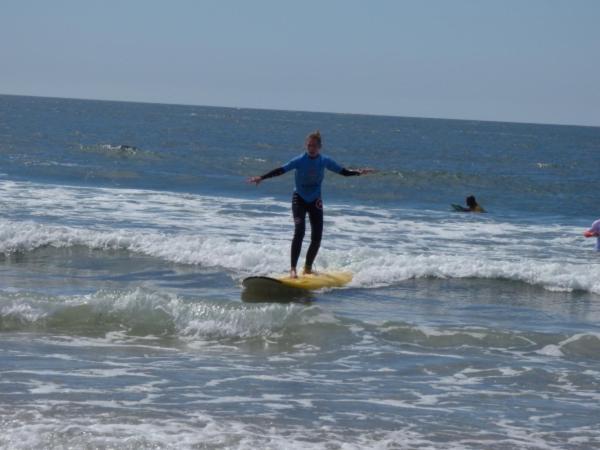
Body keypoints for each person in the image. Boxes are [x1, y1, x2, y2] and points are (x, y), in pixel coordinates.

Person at [248, 130, 375, 278]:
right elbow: (281, 170)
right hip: (299, 199)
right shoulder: (299, 160)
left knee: (317, 237)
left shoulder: (325, 161)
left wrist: (359, 172)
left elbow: (344, 172)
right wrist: (261, 177)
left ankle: (307, 268)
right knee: (299, 231)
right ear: (306, 146)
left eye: (314, 146)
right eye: (309, 145)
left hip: (315, 200)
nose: (311, 148)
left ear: (319, 147)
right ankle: (293, 269)